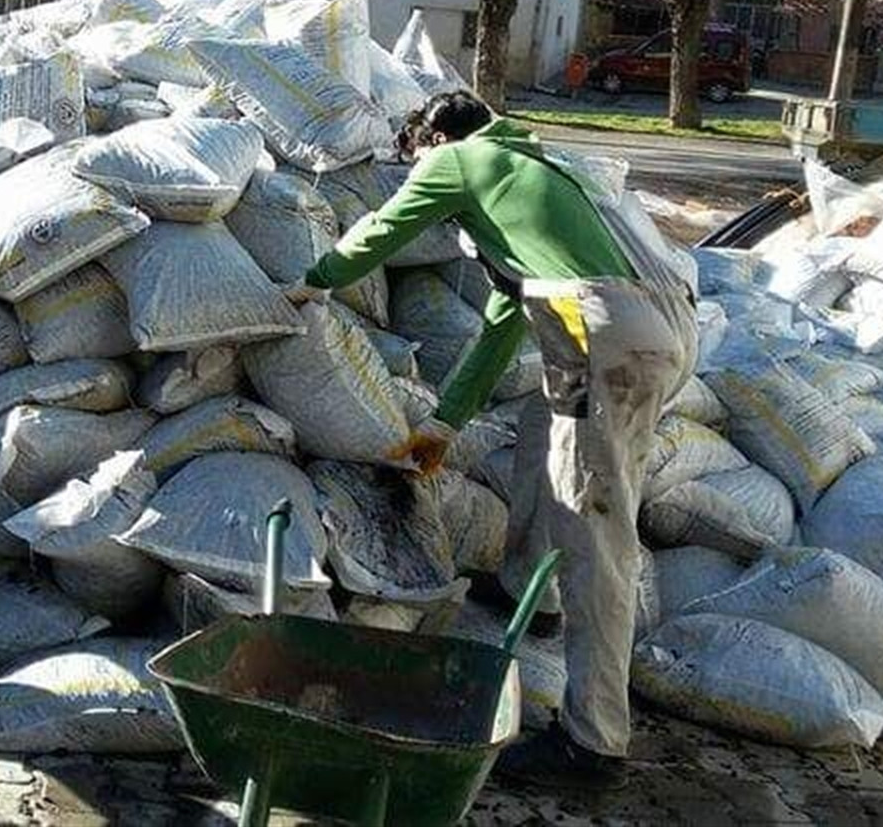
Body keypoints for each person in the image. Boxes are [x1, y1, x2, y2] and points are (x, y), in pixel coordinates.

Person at [288, 89, 697, 792]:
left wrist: (314, 282)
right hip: (632, 331)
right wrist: (444, 424)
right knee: (544, 441)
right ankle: (530, 598)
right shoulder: (523, 176)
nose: (420, 173)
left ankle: (593, 743)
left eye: (417, 157)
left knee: (594, 533)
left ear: (436, 139)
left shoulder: (461, 160)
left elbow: (384, 229)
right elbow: (503, 328)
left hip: (606, 339)